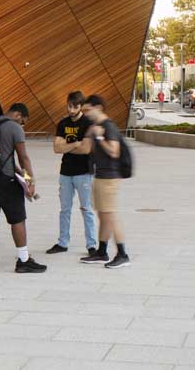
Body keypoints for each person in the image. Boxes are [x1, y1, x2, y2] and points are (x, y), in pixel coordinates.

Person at [0, 102, 46, 274]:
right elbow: (23, 157)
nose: (22, 125)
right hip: (6, 181)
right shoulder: (14, 127)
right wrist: (30, 181)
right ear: (18, 115)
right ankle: (23, 260)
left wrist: (20, 173)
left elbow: (6, 157)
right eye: (23, 122)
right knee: (18, 219)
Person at [78, 94, 129, 268]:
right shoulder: (96, 127)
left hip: (109, 178)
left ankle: (123, 254)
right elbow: (86, 149)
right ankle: (102, 252)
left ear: (98, 108)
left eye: (87, 110)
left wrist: (100, 138)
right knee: (103, 216)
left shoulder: (108, 126)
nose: (85, 114)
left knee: (110, 216)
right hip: (99, 176)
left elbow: (114, 151)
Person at [47, 90, 98, 258]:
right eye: (69, 106)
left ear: (81, 106)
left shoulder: (88, 123)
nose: (71, 110)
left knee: (86, 209)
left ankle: (91, 245)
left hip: (84, 172)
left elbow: (86, 149)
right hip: (66, 172)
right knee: (65, 209)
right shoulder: (62, 123)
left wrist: (67, 146)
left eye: (75, 106)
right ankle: (63, 243)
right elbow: (56, 148)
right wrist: (76, 143)